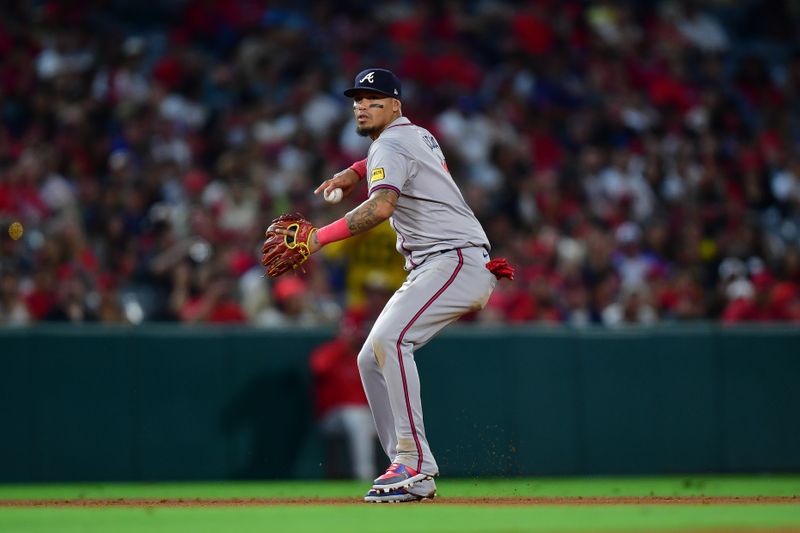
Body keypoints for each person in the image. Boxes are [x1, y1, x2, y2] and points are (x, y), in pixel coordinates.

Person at [274, 68, 513, 503]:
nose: (362, 105)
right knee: (370, 357)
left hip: (453, 260)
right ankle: (407, 469)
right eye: (358, 99)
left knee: (390, 341)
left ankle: (415, 462)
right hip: (442, 263)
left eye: (375, 98)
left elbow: (382, 207)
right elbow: (386, 160)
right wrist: (353, 171)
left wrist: (316, 238)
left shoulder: (393, 141)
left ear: (396, 105)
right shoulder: (415, 135)